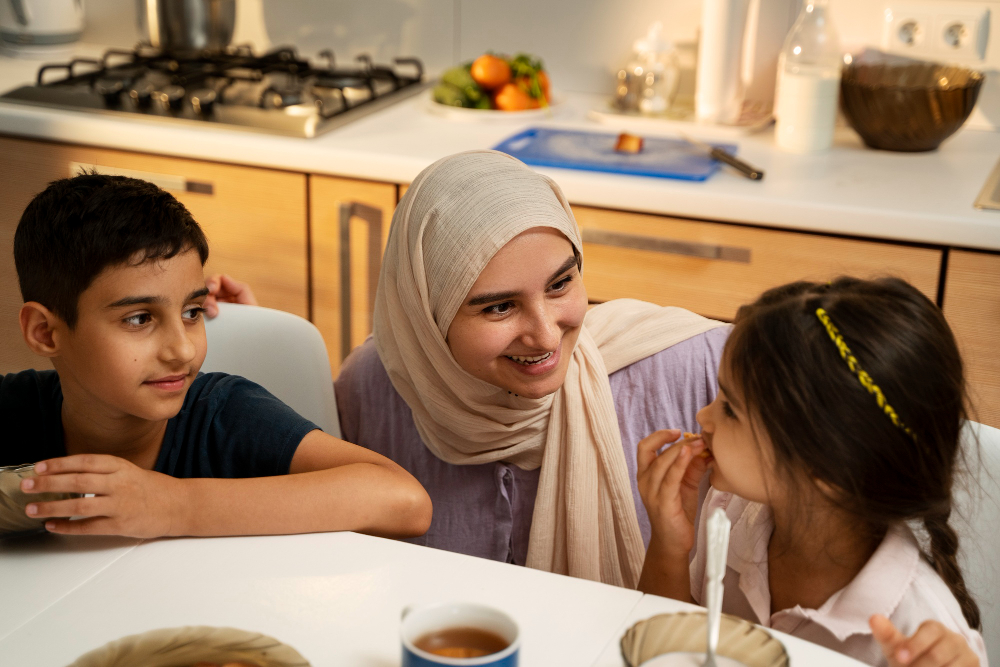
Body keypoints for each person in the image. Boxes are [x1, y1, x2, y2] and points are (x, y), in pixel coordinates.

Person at [327, 150, 729, 587]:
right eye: (500, 307)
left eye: (560, 284)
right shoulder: (370, 389)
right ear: (427, 319)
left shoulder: (701, 369)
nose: (546, 337)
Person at [1, 173, 432, 539]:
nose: (183, 349)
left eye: (191, 312)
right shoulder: (15, 408)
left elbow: (404, 500)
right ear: (45, 332)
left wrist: (173, 505)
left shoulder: (225, 415)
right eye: (139, 319)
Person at [636, 277, 987, 665]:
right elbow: (673, 648)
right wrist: (669, 545)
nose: (703, 416)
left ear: (827, 468)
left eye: (730, 409)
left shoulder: (918, 631)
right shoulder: (728, 510)